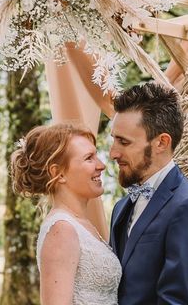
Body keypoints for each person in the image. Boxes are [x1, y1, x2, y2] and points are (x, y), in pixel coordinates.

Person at [109, 82, 188, 305]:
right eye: (113, 139)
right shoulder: (121, 207)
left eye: (124, 142)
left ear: (161, 142)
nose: (113, 152)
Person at [10, 124, 122, 305]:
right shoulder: (61, 230)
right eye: (89, 158)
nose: (101, 165)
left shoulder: (81, 224)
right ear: (58, 173)